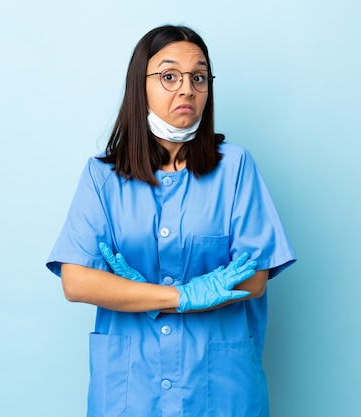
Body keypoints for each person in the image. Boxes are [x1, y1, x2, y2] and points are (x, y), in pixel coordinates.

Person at [46, 24, 296, 417]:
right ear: (139, 86)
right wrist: (181, 297)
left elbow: (254, 277)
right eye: (169, 76)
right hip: (129, 390)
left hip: (218, 386)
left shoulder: (235, 168)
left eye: (199, 77)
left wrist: (134, 294)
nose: (187, 89)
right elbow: (77, 282)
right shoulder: (102, 177)